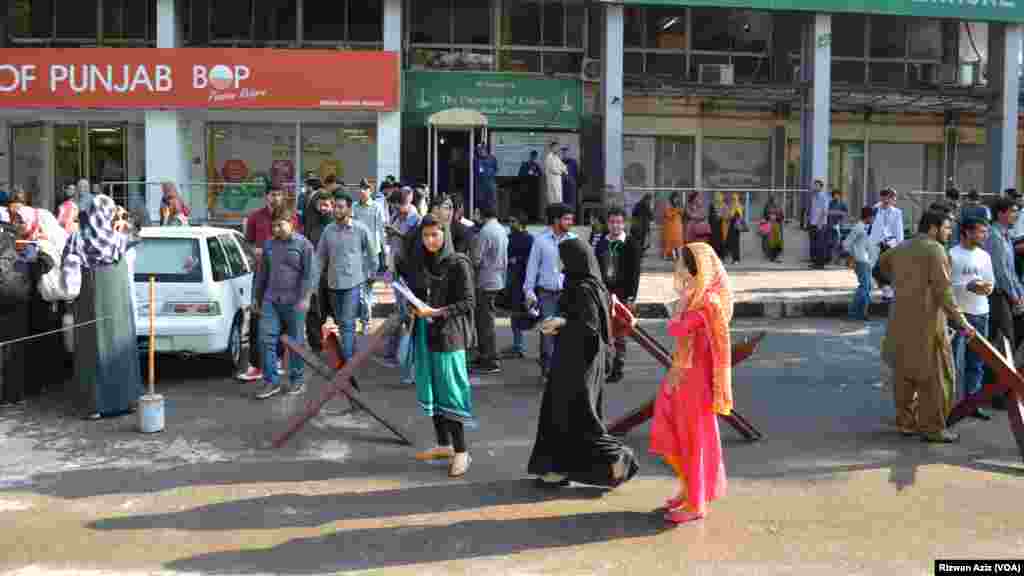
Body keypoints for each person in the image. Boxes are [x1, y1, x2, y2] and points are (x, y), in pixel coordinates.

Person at [527, 237, 639, 488]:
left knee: (580, 416)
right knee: (563, 414)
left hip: (579, 364)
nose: (559, 262)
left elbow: (588, 328)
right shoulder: (588, 283)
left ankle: (618, 456)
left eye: (562, 257)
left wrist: (561, 323)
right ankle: (557, 470)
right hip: (578, 359)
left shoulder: (583, 288)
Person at [650, 242, 732, 524]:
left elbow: (676, 327)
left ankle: (696, 503)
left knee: (693, 437)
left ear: (694, 267)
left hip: (695, 380)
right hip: (684, 374)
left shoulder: (707, 302)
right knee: (671, 425)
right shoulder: (699, 296)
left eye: (683, 262)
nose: (679, 267)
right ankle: (687, 488)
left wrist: (682, 305)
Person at [879, 210, 975, 443]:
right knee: (937, 378)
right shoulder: (935, 250)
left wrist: (903, 284)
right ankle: (932, 428)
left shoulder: (901, 247)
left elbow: (881, 266)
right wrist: (962, 322)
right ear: (933, 228)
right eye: (946, 228)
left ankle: (906, 423)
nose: (949, 232)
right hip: (928, 324)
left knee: (904, 375)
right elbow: (944, 291)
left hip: (899, 321)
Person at [62, 195, 144, 419]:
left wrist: (69, 296)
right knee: (120, 348)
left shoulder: (76, 240)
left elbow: (69, 280)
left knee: (92, 351)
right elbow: (137, 238)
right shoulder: (119, 239)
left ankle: (95, 406)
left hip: (89, 305)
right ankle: (126, 399)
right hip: (118, 304)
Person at [407, 214, 477, 478]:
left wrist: (437, 312)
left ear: (445, 234)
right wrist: (415, 308)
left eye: (435, 234)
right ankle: (444, 445)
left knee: (451, 392)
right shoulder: (423, 262)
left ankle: (462, 452)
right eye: (425, 235)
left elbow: (469, 302)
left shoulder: (459, 263)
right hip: (427, 333)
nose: (430, 240)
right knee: (433, 390)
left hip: (450, 336)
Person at [253, 207, 317, 399]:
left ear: (292, 223)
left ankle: (297, 379)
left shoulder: (304, 246)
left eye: (280, 225)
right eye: (274, 226)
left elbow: (310, 275)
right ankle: (271, 381)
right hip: (271, 300)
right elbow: (262, 274)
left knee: (296, 342)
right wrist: (256, 298)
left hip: (295, 302)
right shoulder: (269, 245)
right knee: (266, 340)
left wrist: (305, 299)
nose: (276, 230)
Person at [238, 187, 297, 382]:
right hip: (262, 276)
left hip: (285, 278)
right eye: (273, 194)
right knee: (257, 320)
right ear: (266, 196)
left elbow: (297, 243)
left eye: (279, 194)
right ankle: (256, 365)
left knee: (283, 320)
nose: (276, 197)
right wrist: (253, 250)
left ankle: (278, 360)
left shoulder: (292, 217)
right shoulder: (255, 217)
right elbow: (246, 243)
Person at [317, 193, 375, 381]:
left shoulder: (360, 229)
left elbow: (372, 255)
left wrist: (369, 276)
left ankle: (347, 365)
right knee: (342, 323)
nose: (337, 210)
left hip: (353, 284)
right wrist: (313, 282)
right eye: (335, 207)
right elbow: (320, 258)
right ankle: (350, 355)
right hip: (333, 284)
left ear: (349, 209)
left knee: (348, 324)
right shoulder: (328, 231)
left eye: (341, 207)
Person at [525, 203, 576, 381]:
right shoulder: (540, 241)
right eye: (566, 218)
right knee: (548, 334)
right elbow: (532, 267)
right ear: (556, 220)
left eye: (571, 218)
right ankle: (547, 371)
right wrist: (529, 292)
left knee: (566, 334)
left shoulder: (574, 240)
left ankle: (562, 371)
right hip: (546, 294)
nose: (570, 222)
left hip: (568, 295)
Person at [949, 217, 994, 420]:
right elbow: (945, 286)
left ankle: (972, 403)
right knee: (950, 361)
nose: (984, 235)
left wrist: (986, 288)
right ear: (967, 232)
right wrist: (967, 286)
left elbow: (990, 282)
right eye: (980, 232)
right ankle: (946, 403)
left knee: (976, 362)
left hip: (981, 312)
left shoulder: (984, 255)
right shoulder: (952, 254)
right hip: (957, 315)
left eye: (985, 232)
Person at [377, 186, 420, 380]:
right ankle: (393, 352)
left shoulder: (414, 218)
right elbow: (393, 243)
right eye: (394, 207)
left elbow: (412, 242)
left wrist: (395, 232)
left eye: (397, 206)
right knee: (401, 312)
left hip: (408, 272)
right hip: (396, 268)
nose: (396, 210)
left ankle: (400, 354)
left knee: (405, 314)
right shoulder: (397, 216)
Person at [595, 206, 643, 384]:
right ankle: (605, 366)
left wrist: (631, 297)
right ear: (607, 224)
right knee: (603, 331)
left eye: (619, 222)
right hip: (604, 293)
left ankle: (618, 367)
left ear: (624, 224)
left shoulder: (631, 244)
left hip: (623, 295)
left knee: (620, 332)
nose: (615, 226)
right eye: (612, 222)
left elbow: (635, 273)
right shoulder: (601, 242)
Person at [470, 205, 508, 376]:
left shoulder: (485, 231)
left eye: (477, 212)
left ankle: (490, 358)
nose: (475, 215)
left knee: (485, 321)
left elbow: (476, 259)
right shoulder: (501, 229)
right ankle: (485, 354)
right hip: (497, 278)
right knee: (486, 319)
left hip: (485, 280)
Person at [984, 198, 1022, 358]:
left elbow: (1011, 272)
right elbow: (1001, 272)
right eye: (1012, 211)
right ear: (1000, 214)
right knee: (1006, 338)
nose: (1017, 215)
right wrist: (1015, 296)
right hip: (998, 295)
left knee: (1007, 337)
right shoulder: (994, 236)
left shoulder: (1006, 236)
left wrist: (1020, 293)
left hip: (1008, 294)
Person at [302, 186, 335, 353]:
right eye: (320, 205)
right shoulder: (310, 224)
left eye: (326, 205)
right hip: (314, 276)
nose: (323, 208)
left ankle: (346, 348)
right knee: (314, 312)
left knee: (338, 312)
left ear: (332, 205)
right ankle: (316, 345)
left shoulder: (337, 224)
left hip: (336, 276)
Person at [353, 178, 386, 335]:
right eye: (360, 188)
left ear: (370, 191)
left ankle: (366, 321)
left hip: (372, 254)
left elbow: (381, 230)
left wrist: (383, 256)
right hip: (356, 253)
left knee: (366, 289)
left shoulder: (376, 207)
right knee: (359, 290)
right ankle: (363, 319)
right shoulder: (354, 207)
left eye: (365, 188)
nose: (362, 191)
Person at [501, 211, 535, 360]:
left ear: (521, 223)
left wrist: (518, 260)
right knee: (514, 314)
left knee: (521, 314)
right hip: (512, 282)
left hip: (523, 282)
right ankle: (517, 345)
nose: (510, 223)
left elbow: (531, 261)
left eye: (513, 220)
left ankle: (518, 346)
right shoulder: (509, 238)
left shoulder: (529, 239)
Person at [870, 188, 904, 301]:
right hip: (876, 243)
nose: (887, 200)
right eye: (884, 197)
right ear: (881, 197)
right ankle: (885, 288)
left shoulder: (897, 212)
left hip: (890, 243)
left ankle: (887, 290)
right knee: (875, 268)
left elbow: (898, 230)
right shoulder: (874, 209)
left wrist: (900, 244)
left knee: (887, 268)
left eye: (890, 197)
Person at [843, 207, 876, 321]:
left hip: (865, 261)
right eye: (873, 217)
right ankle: (853, 312)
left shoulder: (864, 227)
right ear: (868, 217)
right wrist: (852, 257)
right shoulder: (858, 227)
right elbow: (846, 243)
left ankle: (862, 313)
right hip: (860, 261)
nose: (874, 219)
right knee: (864, 287)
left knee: (867, 287)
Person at [808, 179, 831, 269]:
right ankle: (815, 262)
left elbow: (824, 211)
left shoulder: (823, 196)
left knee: (820, 245)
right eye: (814, 185)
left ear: (821, 187)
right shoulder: (814, 196)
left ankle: (820, 264)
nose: (814, 187)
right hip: (813, 223)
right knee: (814, 245)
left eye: (817, 185)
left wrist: (820, 223)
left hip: (820, 224)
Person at [518, 151, 543, 222]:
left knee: (533, 204)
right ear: (530, 156)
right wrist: (527, 173)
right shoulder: (525, 164)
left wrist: (535, 174)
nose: (534, 158)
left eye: (535, 157)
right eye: (533, 156)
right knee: (526, 204)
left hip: (534, 188)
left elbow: (540, 174)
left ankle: (533, 219)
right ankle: (525, 219)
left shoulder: (536, 165)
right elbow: (520, 174)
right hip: (526, 187)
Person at [475, 143, 499, 216]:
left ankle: (494, 218)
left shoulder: (492, 158)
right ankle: (483, 219)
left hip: (490, 185)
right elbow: (477, 172)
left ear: (484, 149)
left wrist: (489, 172)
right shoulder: (477, 160)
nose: (479, 151)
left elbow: (496, 169)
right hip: (481, 186)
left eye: (480, 150)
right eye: (478, 150)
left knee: (492, 203)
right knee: (482, 204)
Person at [544, 142, 567, 210]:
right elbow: (553, 169)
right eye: (556, 147)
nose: (557, 149)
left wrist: (564, 170)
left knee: (558, 197)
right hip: (552, 180)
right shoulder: (549, 157)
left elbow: (563, 166)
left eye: (558, 147)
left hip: (558, 180)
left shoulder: (557, 157)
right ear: (552, 148)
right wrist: (561, 171)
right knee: (553, 198)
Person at [828, 190, 849, 264]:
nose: (836, 196)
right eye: (834, 195)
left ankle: (838, 260)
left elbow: (846, 213)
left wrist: (839, 214)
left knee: (839, 243)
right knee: (831, 243)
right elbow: (827, 212)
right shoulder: (830, 203)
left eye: (837, 195)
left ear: (840, 196)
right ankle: (832, 259)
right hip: (831, 226)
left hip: (839, 226)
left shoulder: (842, 204)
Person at [761, 195, 784, 262]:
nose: (774, 200)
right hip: (769, 226)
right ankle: (771, 256)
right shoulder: (768, 206)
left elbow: (782, 216)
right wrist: (769, 217)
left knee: (776, 241)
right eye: (772, 199)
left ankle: (774, 256)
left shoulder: (778, 207)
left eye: (774, 199)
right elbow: (765, 215)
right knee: (769, 241)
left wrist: (776, 217)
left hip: (776, 226)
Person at [662, 193, 684, 260]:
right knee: (671, 243)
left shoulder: (679, 206)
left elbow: (682, 214)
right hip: (671, 228)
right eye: (675, 198)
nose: (676, 200)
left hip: (678, 227)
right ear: (672, 199)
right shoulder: (668, 207)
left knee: (679, 243)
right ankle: (672, 256)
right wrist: (676, 211)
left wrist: (679, 210)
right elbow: (668, 215)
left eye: (677, 198)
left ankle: (680, 257)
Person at [725, 193, 744, 264]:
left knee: (734, 243)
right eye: (732, 199)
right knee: (733, 243)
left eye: (733, 199)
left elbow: (733, 216)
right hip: (733, 227)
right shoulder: (736, 206)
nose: (732, 200)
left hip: (735, 227)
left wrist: (729, 216)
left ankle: (736, 259)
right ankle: (735, 259)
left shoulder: (737, 206)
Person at [561, 146, 579, 217]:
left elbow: (577, 174)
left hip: (571, 186)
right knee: (563, 204)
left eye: (566, 152)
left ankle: (572, 219)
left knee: (571, 203)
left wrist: (574, 182)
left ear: (569, 153)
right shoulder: (559, 162)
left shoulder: (573, 162)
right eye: (563, 152)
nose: (565, 154)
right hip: (562, 186)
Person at [709, 192, 726, 258]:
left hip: (720, 226)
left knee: (720, 241)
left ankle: (721, 256)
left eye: (719, 196)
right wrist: (716, 216)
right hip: (714, 227)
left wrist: (720, 216)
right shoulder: (712, 205)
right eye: (717, 196)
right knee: (714, 241)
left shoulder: (723, 205)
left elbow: (726, 215)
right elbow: (710, 216)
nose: (718, 198)